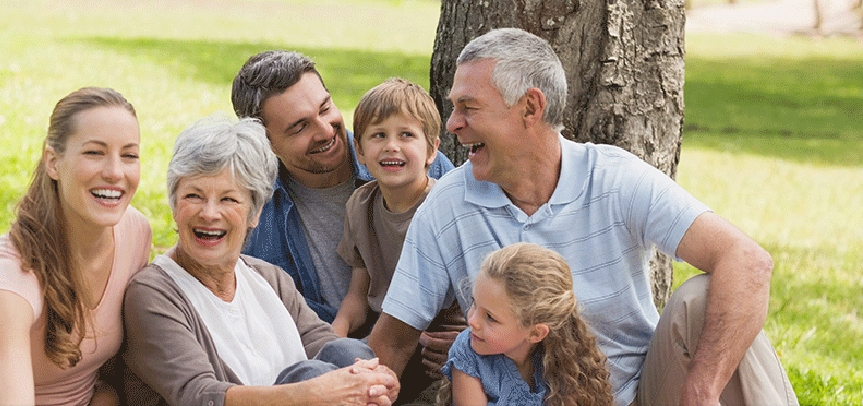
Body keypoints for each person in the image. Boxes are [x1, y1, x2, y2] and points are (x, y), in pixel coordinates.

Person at [368, 28, 799, 406]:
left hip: (639, 394)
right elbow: (392, 341)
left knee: (703, 301)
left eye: (468, 107)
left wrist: (701, 391)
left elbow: (748, 261)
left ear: (530, 109)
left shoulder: (614, 178)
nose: (454, 123)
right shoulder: (448, 203)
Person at [120, 116, 399, 406]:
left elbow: (324, 344)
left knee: (348, 356)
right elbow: (199, 395)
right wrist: (314, 393)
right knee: (314, 374)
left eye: (228, 199)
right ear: (175, 205)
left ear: (254, 214)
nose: (210, 213)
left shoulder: (270, 279)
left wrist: (375, 378)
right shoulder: (152, 293)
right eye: (194, 196)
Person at [0, 87, 152, 406]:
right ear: (53, 162)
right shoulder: (9, 279)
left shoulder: (135, 232)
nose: (115, 172)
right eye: (94, 152)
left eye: (129, 155)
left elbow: (112, 372)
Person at [230, 50, 455, 323]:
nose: (325, 130)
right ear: (265, 142)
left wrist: (463, 332)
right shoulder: (252, 207)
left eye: (325, 108)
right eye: (300, 127)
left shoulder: (415, 162)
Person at [332, 78, 466, 404]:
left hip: (439, 345)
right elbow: (358, 295)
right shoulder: (360, 206)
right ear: (360, 151)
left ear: (433, 149)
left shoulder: (446, 207)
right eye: (379, 135)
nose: (392, 146)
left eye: (406, 134)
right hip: (385, 335)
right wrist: (333, 335)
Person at [440, 243, 612, 406]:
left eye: (490, 317)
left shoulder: (565, 357)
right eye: (474, 303)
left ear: (536, 333)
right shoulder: (468, 351)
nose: (472, 321)